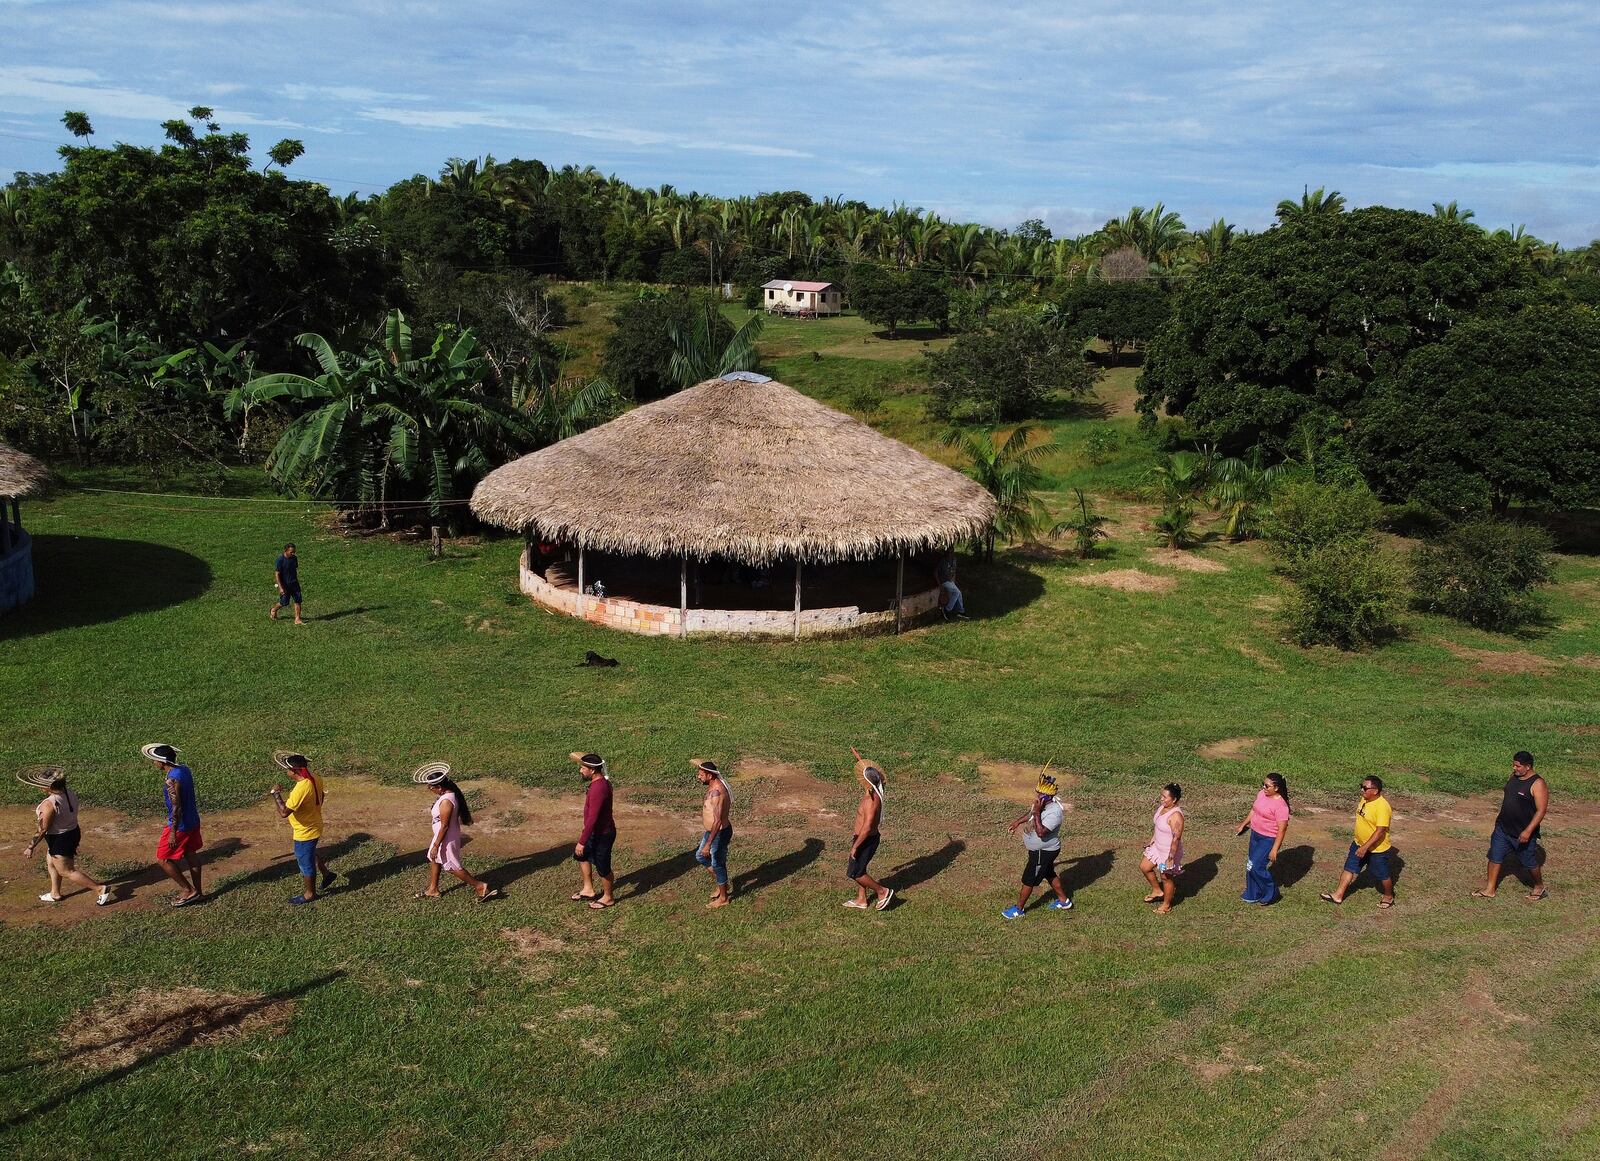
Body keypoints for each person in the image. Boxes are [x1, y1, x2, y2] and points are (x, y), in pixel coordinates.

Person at [21, 767, 112, 907]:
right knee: (51, 862)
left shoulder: (48, 805)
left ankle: (99, 889)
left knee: (66, 871)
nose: (39, 786)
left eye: (41, 783)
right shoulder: (69, 793)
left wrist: (30, 847)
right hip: (72, 832)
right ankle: (55, 893)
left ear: (49, 786)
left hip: (60, 839)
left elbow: (43, 829)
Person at [413, 762, 498, 902]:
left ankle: (480, 886)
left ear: (439, 787)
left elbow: (445, 826)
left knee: (452, 866)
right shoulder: (446, 795)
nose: (430, 789)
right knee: (434, 859)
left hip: (446, 837)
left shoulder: (447, 802)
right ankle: (433, 889)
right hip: (441, 835)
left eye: (431, 787)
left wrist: (436, 845)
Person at [1475, 751, 1550, 900]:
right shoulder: (1514, 776)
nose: (1514, 768)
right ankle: (1490, 889)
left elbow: (1541, 811)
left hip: (1522, 832)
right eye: (1514, 764)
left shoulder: (1537, 784)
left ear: (1528, 767)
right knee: (1494, 856)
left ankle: (1539, 886)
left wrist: (1528, 831)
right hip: (1503, 828)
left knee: (1529, 863)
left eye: (1518, 766)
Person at [267, 752, 338, 905]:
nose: (286, 771)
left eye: (287, 769)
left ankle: (310, 894)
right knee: (310, 853)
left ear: (294, 771)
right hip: (315, 823)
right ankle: (327, 874)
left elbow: (284, 812)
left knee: (305, 862)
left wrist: (276, 794)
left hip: (305, 831)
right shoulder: (315, 779)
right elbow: (322, 797)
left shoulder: (301, 789)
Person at [1002, 771, 1073, 918]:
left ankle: (1019, 910)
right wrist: (1017, 822)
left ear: (1048, 797)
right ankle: (1064, 901)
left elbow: (1041, 832)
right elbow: (1031, 815)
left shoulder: (1054, 813)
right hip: (1039, 851)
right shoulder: (1039, 805)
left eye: (1040, 794)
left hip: (1044, 851)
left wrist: (1038, 812)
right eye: (1038, 793)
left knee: (1029, 880)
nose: (1037, 796)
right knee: (1049, 873)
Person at [143, 743, 204, 906]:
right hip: (193, 821)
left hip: (180, 826)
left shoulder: (172, 780)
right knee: (191, 854)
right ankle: (198, 892)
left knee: (163, 859)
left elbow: (176, 807)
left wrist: (173, 831)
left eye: (154, 760)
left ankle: (188, 890)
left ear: (161, 762)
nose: (153, 763)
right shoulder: (184, 769)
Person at [1321, 776, 1395, 908]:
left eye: (1365, 788)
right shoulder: (1365, 799)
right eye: (1361, 786)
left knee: (1382, 875)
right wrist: (1361, 845)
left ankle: (1389, 896)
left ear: (1375, 790)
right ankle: (1338, 895)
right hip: (1359, 843)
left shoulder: (1383, 807)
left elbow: (1380, 831)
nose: (1362, 790)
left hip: (1376, 850)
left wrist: (1365, 847)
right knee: (1349, 868)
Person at [844, 758, 893, 911]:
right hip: (865, 839)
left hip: (865, 840)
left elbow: (866, 828)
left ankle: (882, 892)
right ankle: (861, 899)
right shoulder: (875, 795)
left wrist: (855, 847)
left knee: (855, 872)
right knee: (861, 868)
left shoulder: (870, 802)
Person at [571, 752, 616, 910]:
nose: (581, 770)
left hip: (602, 834)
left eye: (583, 768)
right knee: (581, 856)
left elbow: (593, 819)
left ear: (592, 770)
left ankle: (608, 897)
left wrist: (582, 841)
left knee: (603, 867)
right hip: (593, 832)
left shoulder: (599, 789)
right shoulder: (598, 782)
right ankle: (588, 889)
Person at [1237, 772, 1290, 905]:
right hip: (1255, 835)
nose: (1264, 788)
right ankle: (1253, 893)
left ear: (1276, 788)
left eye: (1267, 786)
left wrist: (1274, 849)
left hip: (1268, 839)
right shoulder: (1262, 794)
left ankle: (1272, 893)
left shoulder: (1281, 806)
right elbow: (1254, 810)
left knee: (1256, 867)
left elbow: (1282, 829)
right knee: (1250, 865)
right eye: (1263, 784)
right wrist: (1243, 824)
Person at [692, 758, 733, 909]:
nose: (698, 776)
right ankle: (722, 883)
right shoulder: (713, 785)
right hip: (712, 832)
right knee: (699, 856)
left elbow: (717, 821)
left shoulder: (716, 792)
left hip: (718, 834)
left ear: (710, 775)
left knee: (717, 864)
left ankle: (723, 898)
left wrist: (708, 844)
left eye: (701, 774)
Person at [1139, 783, 1185, 915]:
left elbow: (1176, 838)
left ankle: (1166, 905)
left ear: (1174, 799)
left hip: (1168, 852)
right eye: (1161, 796)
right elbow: (1159, 826)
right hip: (1157, 847)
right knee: (1144, 867)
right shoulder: (1162, 808)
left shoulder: (1176, 816)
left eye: (1165, 797)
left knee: (1166, 877)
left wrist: (1170, 858)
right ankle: (1157, 891)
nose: (1162, 799)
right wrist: (1152, 840)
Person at [270, 541, 304, 625]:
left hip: (294, 583)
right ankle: (274, 610)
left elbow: (294, 569)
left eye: (294, 552)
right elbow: (277, 574)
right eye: (291, 552)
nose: (293, 553)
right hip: (285, 585)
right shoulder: (280, 560)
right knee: (284, 602)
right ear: (286, 551)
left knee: (298, 600)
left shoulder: (294, 558)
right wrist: (280, 587)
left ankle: (297, 619)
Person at [935, 553, 966, 620]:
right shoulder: (943, 561)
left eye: (952, 552)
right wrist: (940, 584)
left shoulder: (954, 560)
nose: (950, 554)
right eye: (949, 552)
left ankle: (961, 611)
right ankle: (947, 609)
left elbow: (954, 571)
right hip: (944, 581)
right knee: (956, 592)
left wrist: (953, 581)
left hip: (950, 580)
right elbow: (936, 572)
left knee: (959, 593)